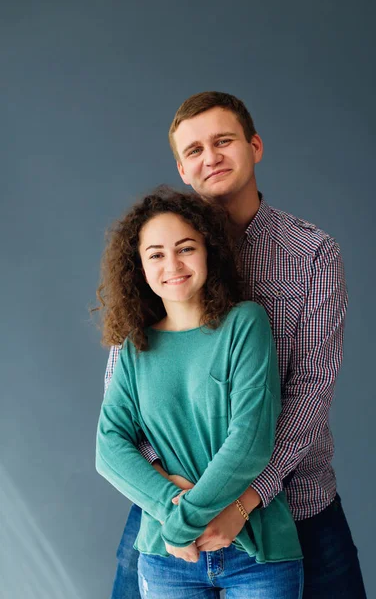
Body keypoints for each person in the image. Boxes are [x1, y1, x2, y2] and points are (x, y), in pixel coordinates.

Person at [105, 92, 367, 598]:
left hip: (293, 500)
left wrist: (246, 497)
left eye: (223, 141)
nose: (211, 157)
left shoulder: (311, 254)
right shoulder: (159, 261)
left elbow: (312, 389)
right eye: (195, 150)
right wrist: (173, 496)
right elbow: (123, 401)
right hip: (172, 512)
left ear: (255, 146)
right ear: (182, 168)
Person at [95, 188, 304, 598]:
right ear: (138, 266)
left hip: (254, 549)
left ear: (209, 251)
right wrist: (173, 507)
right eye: (155, 254)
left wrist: (181, 519)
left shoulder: (245, 324)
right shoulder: (135, 347)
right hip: (168, 556)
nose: (172, 264)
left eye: (185, 248)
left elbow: (251, 441)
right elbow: (109, 448)